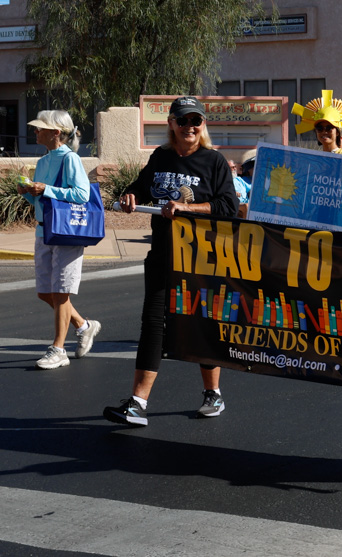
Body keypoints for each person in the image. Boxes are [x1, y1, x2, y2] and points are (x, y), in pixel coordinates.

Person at [104, 96, 238, 427]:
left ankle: (213, 394)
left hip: (202, 259)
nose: (190, 127)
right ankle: (137, 404)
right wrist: (131, 196)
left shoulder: (214, 162)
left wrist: (187, 209)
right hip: (163, 255)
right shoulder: (160, 157)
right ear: (172, 125)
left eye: (197, 121)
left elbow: (227, 207)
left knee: (202, 324)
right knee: (152, 324)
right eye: (183, 121)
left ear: (202, 125)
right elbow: (140, 187)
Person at [17, 110, 101, 369]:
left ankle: (58, 349)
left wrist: (45, 189)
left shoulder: (71, 159)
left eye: (40, 128)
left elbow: (81, 195)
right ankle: (84, 325)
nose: (35, 131)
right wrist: (28, 193)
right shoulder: (43, 162)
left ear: (55, 133)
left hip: (66, 234)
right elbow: (43, 201)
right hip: (44, 231)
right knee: (45, 293)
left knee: (60, 293)